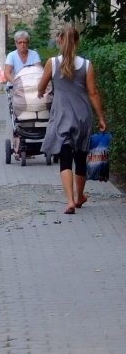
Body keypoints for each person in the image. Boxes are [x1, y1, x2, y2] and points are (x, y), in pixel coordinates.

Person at [37, 24, 106, 214]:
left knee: (65, 159)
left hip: (61, 115)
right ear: (77, 41)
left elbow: (42, 85)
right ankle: (79, 197)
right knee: (81, 158)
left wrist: (40, 92)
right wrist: (101, 117)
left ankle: (69, 201)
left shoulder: (52, 63)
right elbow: (92, 93)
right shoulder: (86, 64)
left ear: (60, 40)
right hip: (83, 115)